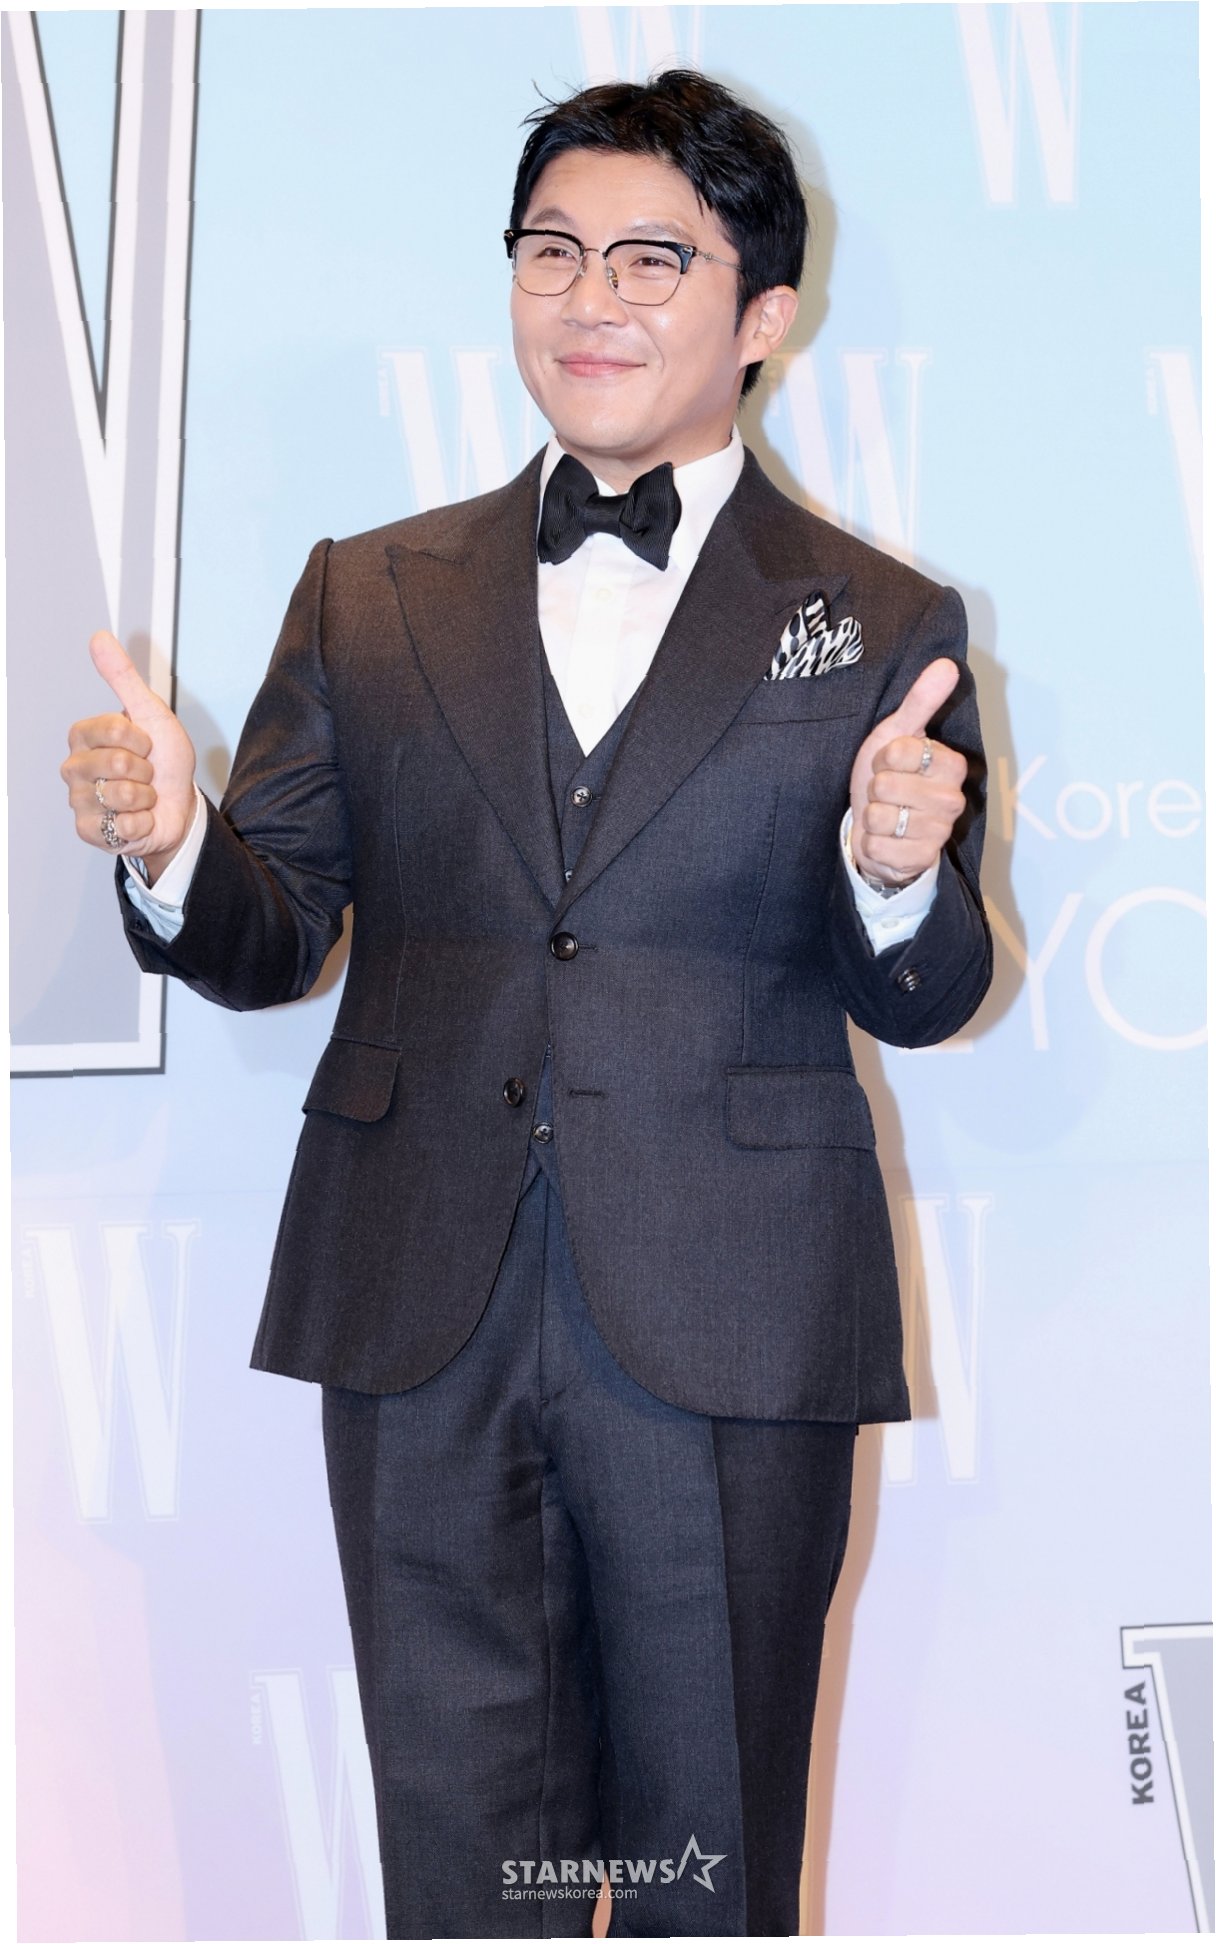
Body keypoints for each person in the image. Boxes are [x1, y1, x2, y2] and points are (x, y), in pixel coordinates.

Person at [61, 70, 991, 1941]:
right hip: (421, 1306)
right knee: (465, 1876)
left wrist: (898, 873)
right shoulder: (370, 593)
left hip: (729, 1317)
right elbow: (273, 934)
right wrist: (173, 846)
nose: (591, 300)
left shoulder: (880, 620)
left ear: (763, 316)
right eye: (552, 251)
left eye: (652, 259)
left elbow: (925, 993)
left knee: (704, 1870)